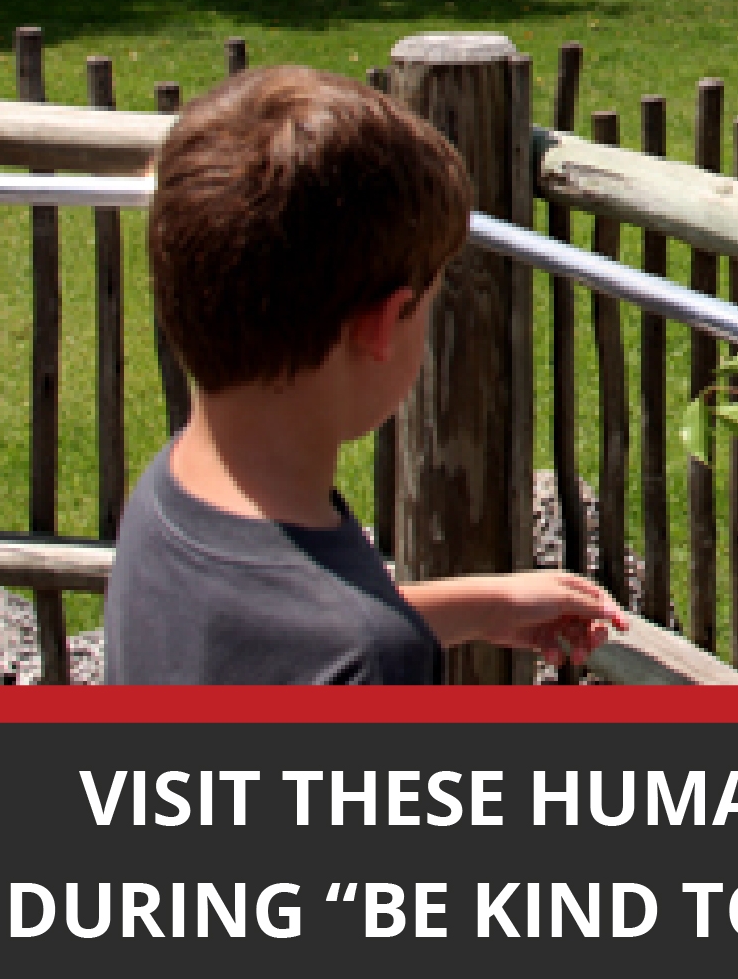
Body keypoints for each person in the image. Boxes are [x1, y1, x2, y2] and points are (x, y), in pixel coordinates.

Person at [106, 66, 625, 683]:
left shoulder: (171, 498)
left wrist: (479, 608)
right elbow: (327, 651)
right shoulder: (369, 663)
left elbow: (272, 642)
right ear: (380, 327)